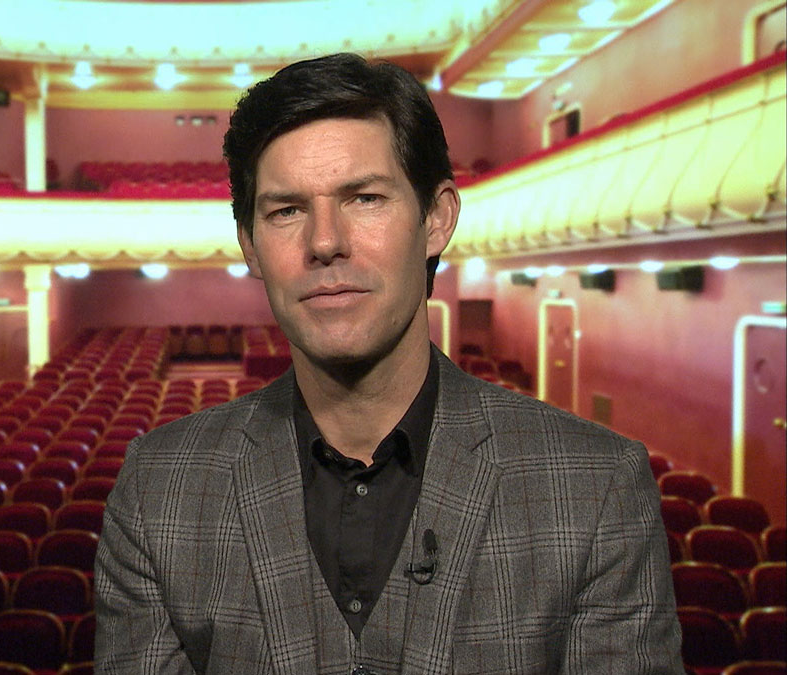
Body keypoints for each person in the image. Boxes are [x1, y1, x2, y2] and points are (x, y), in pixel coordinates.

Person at [95, 53, 682, 674]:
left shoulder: (598, 486)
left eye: (366, 198)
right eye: (286, 210)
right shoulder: (157, 490)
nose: (325, 242)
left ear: (437, 220)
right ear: (250, 246)